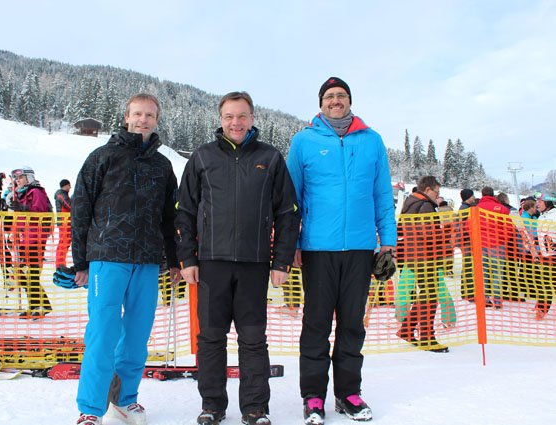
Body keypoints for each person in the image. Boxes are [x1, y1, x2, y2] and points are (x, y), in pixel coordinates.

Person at [176, 91, 299, 425]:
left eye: (242, 116)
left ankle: (255, 407)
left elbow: (287, 213)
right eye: (229, 116)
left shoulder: (270, 158)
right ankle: (212, 405)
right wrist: (187, 258)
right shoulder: (202, 157)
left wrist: (281, 261)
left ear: (252, 118)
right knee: (211, 338)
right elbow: (184, 211)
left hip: (254, 264)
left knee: (253, 339)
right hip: (212, 265)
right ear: (220, 119)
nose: (236, 122)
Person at [286, 77, 396, 424]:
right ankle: (314, 396)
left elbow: (382, 195)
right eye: (330, 96)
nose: (336, 100)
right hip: (318, 248)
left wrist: (388, 240)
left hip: (361, 248)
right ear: (321, 103)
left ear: (350, 101)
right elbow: (291, 200)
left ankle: (349, 393)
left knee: (353, 324)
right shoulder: (304, 141)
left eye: (341, 96)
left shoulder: (372, 140)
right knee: (316, 323)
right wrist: (292, 244)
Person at [72, 93, 181, 425]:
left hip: (147, 261)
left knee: (136, 334)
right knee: (103, 333)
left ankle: (125, 399)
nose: (143, 120)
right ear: (126, 116)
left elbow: (168, 218)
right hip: (107, 257)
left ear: (156, 120)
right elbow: (81, 208)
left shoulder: (163, 166)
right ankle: (91, 408)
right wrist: (81, 262)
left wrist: (173, 260)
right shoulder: (103, 156)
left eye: (149, 115)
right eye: (137, 114)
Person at [396, 175, 450, 353]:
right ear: (428, 190)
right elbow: (428, 235)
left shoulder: (410, 202)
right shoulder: (425, 206)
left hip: (414, 256)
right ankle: (427, 337)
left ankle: (406, 329)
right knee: (431, 295)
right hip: (425, 257)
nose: (437, 195)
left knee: (426, 293)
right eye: (436, 191)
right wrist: (446, 230)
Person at [9, 166, 54, 319]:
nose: (18, 180)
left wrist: (22, 208)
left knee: (31, 274)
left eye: (21, 177)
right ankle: (36, 304)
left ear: (29, 178)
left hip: (35, 239)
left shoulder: (36, 192)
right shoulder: (21, 195)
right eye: (16, 178)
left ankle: (40, 305)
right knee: (23, 274)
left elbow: (39, 214)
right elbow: (20, 219)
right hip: (24, 239)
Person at [477, 186, 511, 309]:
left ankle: (485, 298)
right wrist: (503, 239)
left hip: (480, 244)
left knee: (483, 272)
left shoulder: (476, 209)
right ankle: (497, 300)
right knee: (497, 272)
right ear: (493, 195)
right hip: (498, 244)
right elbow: (509, 227)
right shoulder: (502, 209)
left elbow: (468, 226)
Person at [534, 193, 556, 319]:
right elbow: (543, 234)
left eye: (540, 201)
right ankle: (541, 309)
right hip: (546, 256)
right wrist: (536, 241)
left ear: (547, 203)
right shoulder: (541, 217)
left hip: (554, 255)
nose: (537, 204)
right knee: (545, 283)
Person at [458, 189, 477, 301]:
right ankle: (469, 293)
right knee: (469, 267)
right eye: (472, 196)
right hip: (468, 241)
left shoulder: (464, 208)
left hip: (465, 241)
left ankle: (465, 291)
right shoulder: (466, 209)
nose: (474, 198)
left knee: (467, 266)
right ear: (468, 197)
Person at [54, 179, 72, 268]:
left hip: (66, 222)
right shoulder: (61, 194)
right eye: (69, 185)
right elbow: (69, 205)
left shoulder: (62, 194)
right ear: (66, 185)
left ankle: (61, 263)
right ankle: (60, 264)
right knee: (63, 243)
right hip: (64, 222)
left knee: (65, 243)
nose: (70, 187)